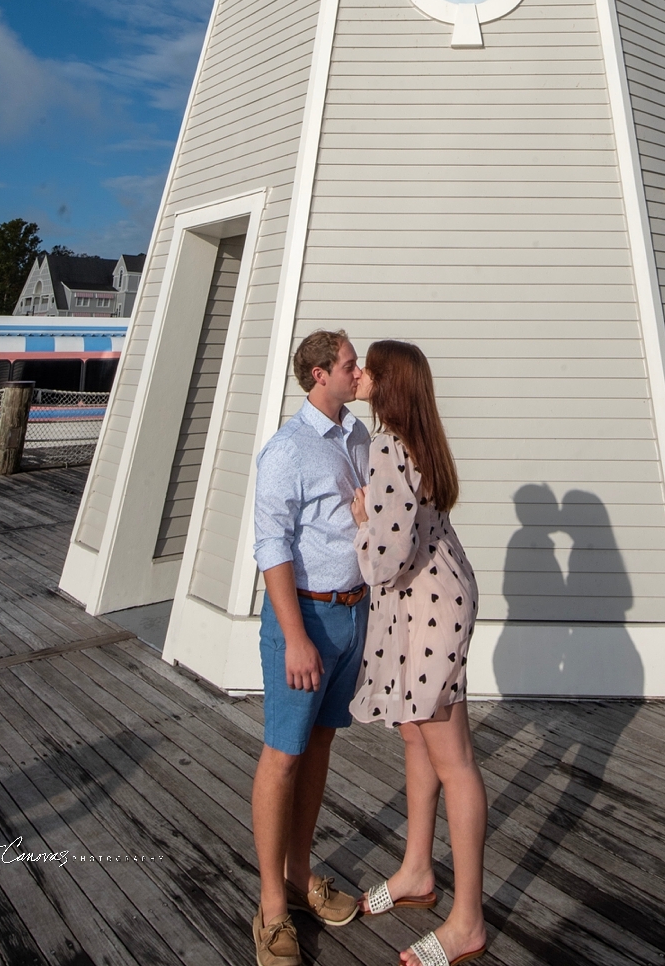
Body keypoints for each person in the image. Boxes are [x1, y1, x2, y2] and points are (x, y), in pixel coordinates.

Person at [350, 339, 487, 966]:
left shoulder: (385, 449)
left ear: (387, 386)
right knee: (414, 735)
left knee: (453, 758)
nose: (359, 376)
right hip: (432, 602)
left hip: (427, 611)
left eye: (367, 370)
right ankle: (415, 870)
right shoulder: (421, 441)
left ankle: (468, 921)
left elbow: (386, 557)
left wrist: (361, 523)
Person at [250, 328, 370, 964]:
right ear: (320, 374)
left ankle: (299, 880)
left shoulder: (357, 435)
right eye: (351, 365)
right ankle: (271, 908)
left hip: (352, 615)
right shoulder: (287, 450)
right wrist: (295, 636)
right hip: (306, 620)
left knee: (319, 745)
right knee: (283, 754)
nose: (360, 373)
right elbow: (272, 547)